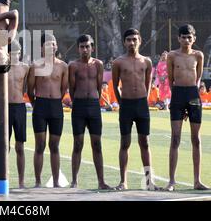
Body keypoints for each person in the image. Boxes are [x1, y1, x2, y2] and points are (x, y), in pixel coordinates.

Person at [112, 28, 160, 191]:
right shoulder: (118, 62)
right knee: (125, 143)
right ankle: (123, 182)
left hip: (141, 105)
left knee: (144, 143)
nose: (132, 42)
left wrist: (144, 100)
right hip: (126, 105)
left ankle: (149, 181)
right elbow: (115, 84)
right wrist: (121, 103)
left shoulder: (146, 61)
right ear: (124, 42)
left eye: (134, 39)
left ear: (140, 40)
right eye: (128, 40)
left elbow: (147, 84)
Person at [165, 24, 209, 191]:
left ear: (194, 39)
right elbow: (170, 79)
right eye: (183, 37)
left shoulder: (198, 55)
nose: (186, 40)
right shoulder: (172, 55)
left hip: (193, 95)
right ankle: (171, 181)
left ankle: (197, 181)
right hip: (177, 95)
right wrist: (176, 96)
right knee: (175, 138)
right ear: (178, 38)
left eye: (189, 37)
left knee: (196, 139)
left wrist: (193, 94)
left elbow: (197, 78)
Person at [68, 34, 111, 190]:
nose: (85, 49)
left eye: (87, 46)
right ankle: (74, 181)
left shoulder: (98, 64)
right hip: (79, 106)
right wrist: (78, 101)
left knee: (97, 144)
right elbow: (71, 89)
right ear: (78, 48)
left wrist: (93, 99)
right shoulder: (73, 66)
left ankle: (101, 181)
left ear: (92, 47)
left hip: (93, 106)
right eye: (82, 47)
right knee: (77, 144)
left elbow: (99, 87)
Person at [27, 33, 68, 187]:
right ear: (41, 47)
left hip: (56, 106)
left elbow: (64, 89)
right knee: (40, 145)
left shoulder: (63, 66)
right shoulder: (35, 66)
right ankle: (37, 181)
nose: (51, 46)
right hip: (40, 105)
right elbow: (30, 90)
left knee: (54, 146)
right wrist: (36, 104)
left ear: (56, 46)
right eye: (47, 44)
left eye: (53, 43)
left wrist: (56, 99)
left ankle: (56, 181)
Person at [7, 40, 30, 188]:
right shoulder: (2, 68)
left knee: (19, 146)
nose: (16, 55)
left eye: (18, 53)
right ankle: (5, 178)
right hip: (5, 108)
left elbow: (26, 88)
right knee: (4, 147)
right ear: (7, 54)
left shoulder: (25, 68)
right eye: (13, 53)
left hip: (20, 107)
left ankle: (21, 181)